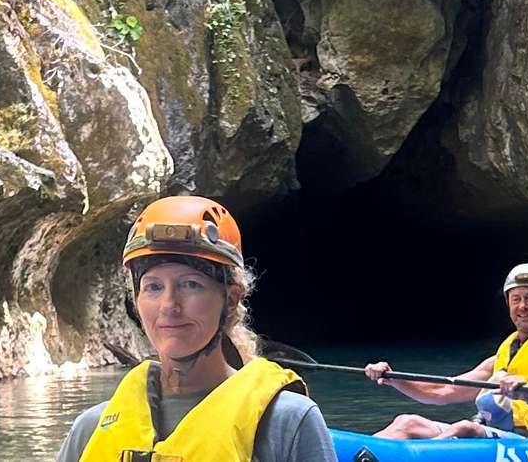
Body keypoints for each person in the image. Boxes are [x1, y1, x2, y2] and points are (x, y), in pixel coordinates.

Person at [57, 195, 333, 462]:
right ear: (137, 300)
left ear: (231, 299)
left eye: (190, 284)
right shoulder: (90, 429)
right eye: (153, 287)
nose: (169, 305)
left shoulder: (287, 423)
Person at [364, 262, 528, 440]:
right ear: (508, 304)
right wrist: (393, 378)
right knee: (407, 422)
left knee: (465, 428)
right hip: (498, 435)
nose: (522, 306)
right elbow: (441, 391)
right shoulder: (503, 357)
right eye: (516, 299)